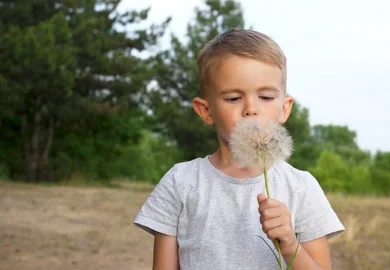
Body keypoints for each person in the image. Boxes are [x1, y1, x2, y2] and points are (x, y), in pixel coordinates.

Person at [133, 28, 345, 270]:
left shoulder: (301, 188)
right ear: (206, 110)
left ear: (285, 108)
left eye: (265, 97)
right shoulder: (180, 182)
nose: (251, 109)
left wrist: (289, 245)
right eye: (234, 98)